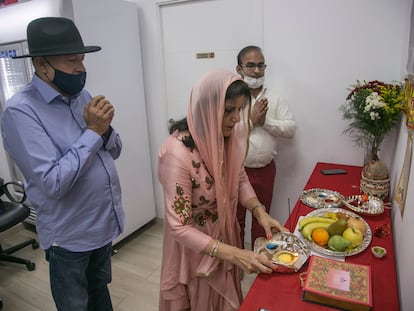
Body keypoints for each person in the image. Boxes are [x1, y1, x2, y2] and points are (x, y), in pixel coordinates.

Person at [1, 17, 124, 311]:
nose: (81, 68)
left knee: (99, 291)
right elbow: (53, 182)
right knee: (75, 304)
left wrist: (105, 130)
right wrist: (94, 131)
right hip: (69, 237)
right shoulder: (20, 112)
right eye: (71, 61)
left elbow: (115, 150)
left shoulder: (82, 95)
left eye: (82, 59)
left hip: (101, 225)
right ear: (41, 65)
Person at [158, 69, 288, 311]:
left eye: (239, 110)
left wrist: (260, 213)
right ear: (207, 109)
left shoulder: (222, 139)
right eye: (228, 110)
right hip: (194, 249)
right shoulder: (176, 154)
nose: (237, 118)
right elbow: (179, 226)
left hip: (224, 235)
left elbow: (238, 177)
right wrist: (235, 254)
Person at [235, 46, 296, 249]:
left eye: (261, 65)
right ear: (239, 69)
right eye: (250, 65)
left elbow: (290, 129)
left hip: (266, 171)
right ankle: (238, 265)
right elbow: (222, 134)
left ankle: (261, 262)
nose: (256, 70)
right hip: (237, 171)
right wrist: (250, 122)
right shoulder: (232, 99)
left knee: (263, 221)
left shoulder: (276, 98)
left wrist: (266, 123)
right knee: (236, 221)